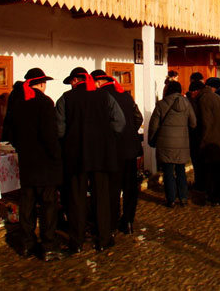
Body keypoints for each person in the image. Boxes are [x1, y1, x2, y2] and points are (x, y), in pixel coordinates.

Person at [56, 67, 125, 253]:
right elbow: (120, 122)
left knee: (76, 198)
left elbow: (59, 130)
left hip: (75, 154)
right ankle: (103, 239)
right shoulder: (104, 97)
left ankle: (76, 241)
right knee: (101, 196)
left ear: (75, 80)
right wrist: (106, 136)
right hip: (101, 154)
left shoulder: (65, 99)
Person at [4, 68, 63, 261]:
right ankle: (48, 246)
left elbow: (9, 134)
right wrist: (56, 156)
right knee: (48, 206)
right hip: (45, 163)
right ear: (42, 84)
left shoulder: (17, 103)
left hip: (27, 163)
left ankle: (27, 244)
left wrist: (23, 148)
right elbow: (50, 136)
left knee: (27, 205)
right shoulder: (45, 103)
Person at [90, 70, 143, 234]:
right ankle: (128, 221)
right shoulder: (126, 95)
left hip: (113, 150)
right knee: (130, 188)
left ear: (98, 82)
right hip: (131, 148)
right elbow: (138, 117)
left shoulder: (100, 97)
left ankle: (112, 222)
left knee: (112, 188)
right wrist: (130, 132)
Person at [148, 81, 196, 207]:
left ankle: (171, 199)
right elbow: (193, 123)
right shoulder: (186, 103)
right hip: (182, 143)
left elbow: (153, 126)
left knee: (168, 171)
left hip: (165, 143)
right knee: (181, 170)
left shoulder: (161, 104)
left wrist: (151, 140)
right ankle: (183, 197)